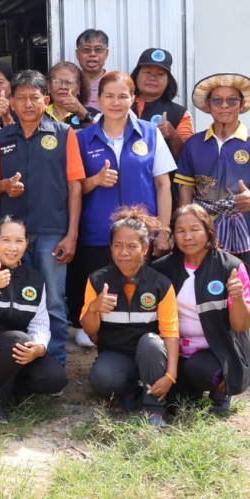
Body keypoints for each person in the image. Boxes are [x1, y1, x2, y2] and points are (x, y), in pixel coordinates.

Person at [0, 70, 86, 366]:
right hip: (12, 236)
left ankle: (54, 366)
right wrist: (5, 186)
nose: (28, 103)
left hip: (52, 231)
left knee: (53, 301)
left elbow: (75, 185)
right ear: (12, 102)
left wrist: (72, 234)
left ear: (46, 99)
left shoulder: (64, 134)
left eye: (34, 97)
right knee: (12, 298)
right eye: (21, 98)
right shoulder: (2, 136)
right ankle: (12, 362)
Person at [70, 72, 175, 348]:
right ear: (98, 99)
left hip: (143, 234)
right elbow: (73, 187)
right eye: (109, 96)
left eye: (122, 96)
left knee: (141, 292)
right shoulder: (83, 138)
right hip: (97, 233)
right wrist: (96, 181)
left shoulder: (150, 134)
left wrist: (163, 230)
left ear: (133, 99)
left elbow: (164, 185)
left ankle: (146, 347)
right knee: (102, 289)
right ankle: (105, 347)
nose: (115, 102)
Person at [0, 217, 68, 423]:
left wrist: (38, 347)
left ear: (27, 244)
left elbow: (40, 322)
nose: (12, 247)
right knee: (17, 339)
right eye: (6, 240)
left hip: (18, 353)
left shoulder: (35, 279)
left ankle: (6, 388)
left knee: (55, 378)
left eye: (19, 241)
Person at [152, 204, 250, 415]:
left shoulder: (231, 267)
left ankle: (222, 389)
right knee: (176, 406)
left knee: (198, 369)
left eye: (195, 229)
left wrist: (237, 298)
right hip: (176, 353)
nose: (188, 236)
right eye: (181, 231)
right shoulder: (162, 268)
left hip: (218, 352)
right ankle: (191, 390)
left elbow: (242, 325)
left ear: (208, 231)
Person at [80, 208, 180, 426]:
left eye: (131, 246)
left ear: (145, 248)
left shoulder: (160, 284)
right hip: (117, 354)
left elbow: (171, 332)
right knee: (102, 379)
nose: (123, 252)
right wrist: (94, 308)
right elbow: (89, 329)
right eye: (117, 245)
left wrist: (171, 375)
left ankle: (155, 408)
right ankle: (130, 393)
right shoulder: (97, 280)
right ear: (110, 247)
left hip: (151, 356)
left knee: (150, 343)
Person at [175, 73, 250, 279]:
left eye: (232, 100)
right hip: (201, 229)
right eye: (217, 100)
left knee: (240, 288)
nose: (224, 106)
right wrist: (185, 219)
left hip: (245, 227)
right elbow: (185, 187)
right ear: (208, 105)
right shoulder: (194, 144)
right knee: (203, 287)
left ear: (242, 104)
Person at [132, 48, 192, 159]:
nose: (152, 78)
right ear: (137, 75)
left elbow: (189, 158)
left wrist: (173, 135)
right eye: (147, 72)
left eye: (160, 74)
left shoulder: (180, 114)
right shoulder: (121, 106)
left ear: (168, 81)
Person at [47, 61, 100, 128]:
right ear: (49, 86)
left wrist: (83, 113)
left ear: (78, 87)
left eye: (69, 82)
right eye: (57, 82)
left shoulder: (94, 115)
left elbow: (103, 136)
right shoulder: (40, 115)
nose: (63, 87)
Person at [75, 29, 110, 111]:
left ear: (107, 54)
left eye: (98, 50)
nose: (92, 54)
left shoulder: (114, 83)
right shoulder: (69, 83)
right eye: (86, 50)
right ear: (77, 54)